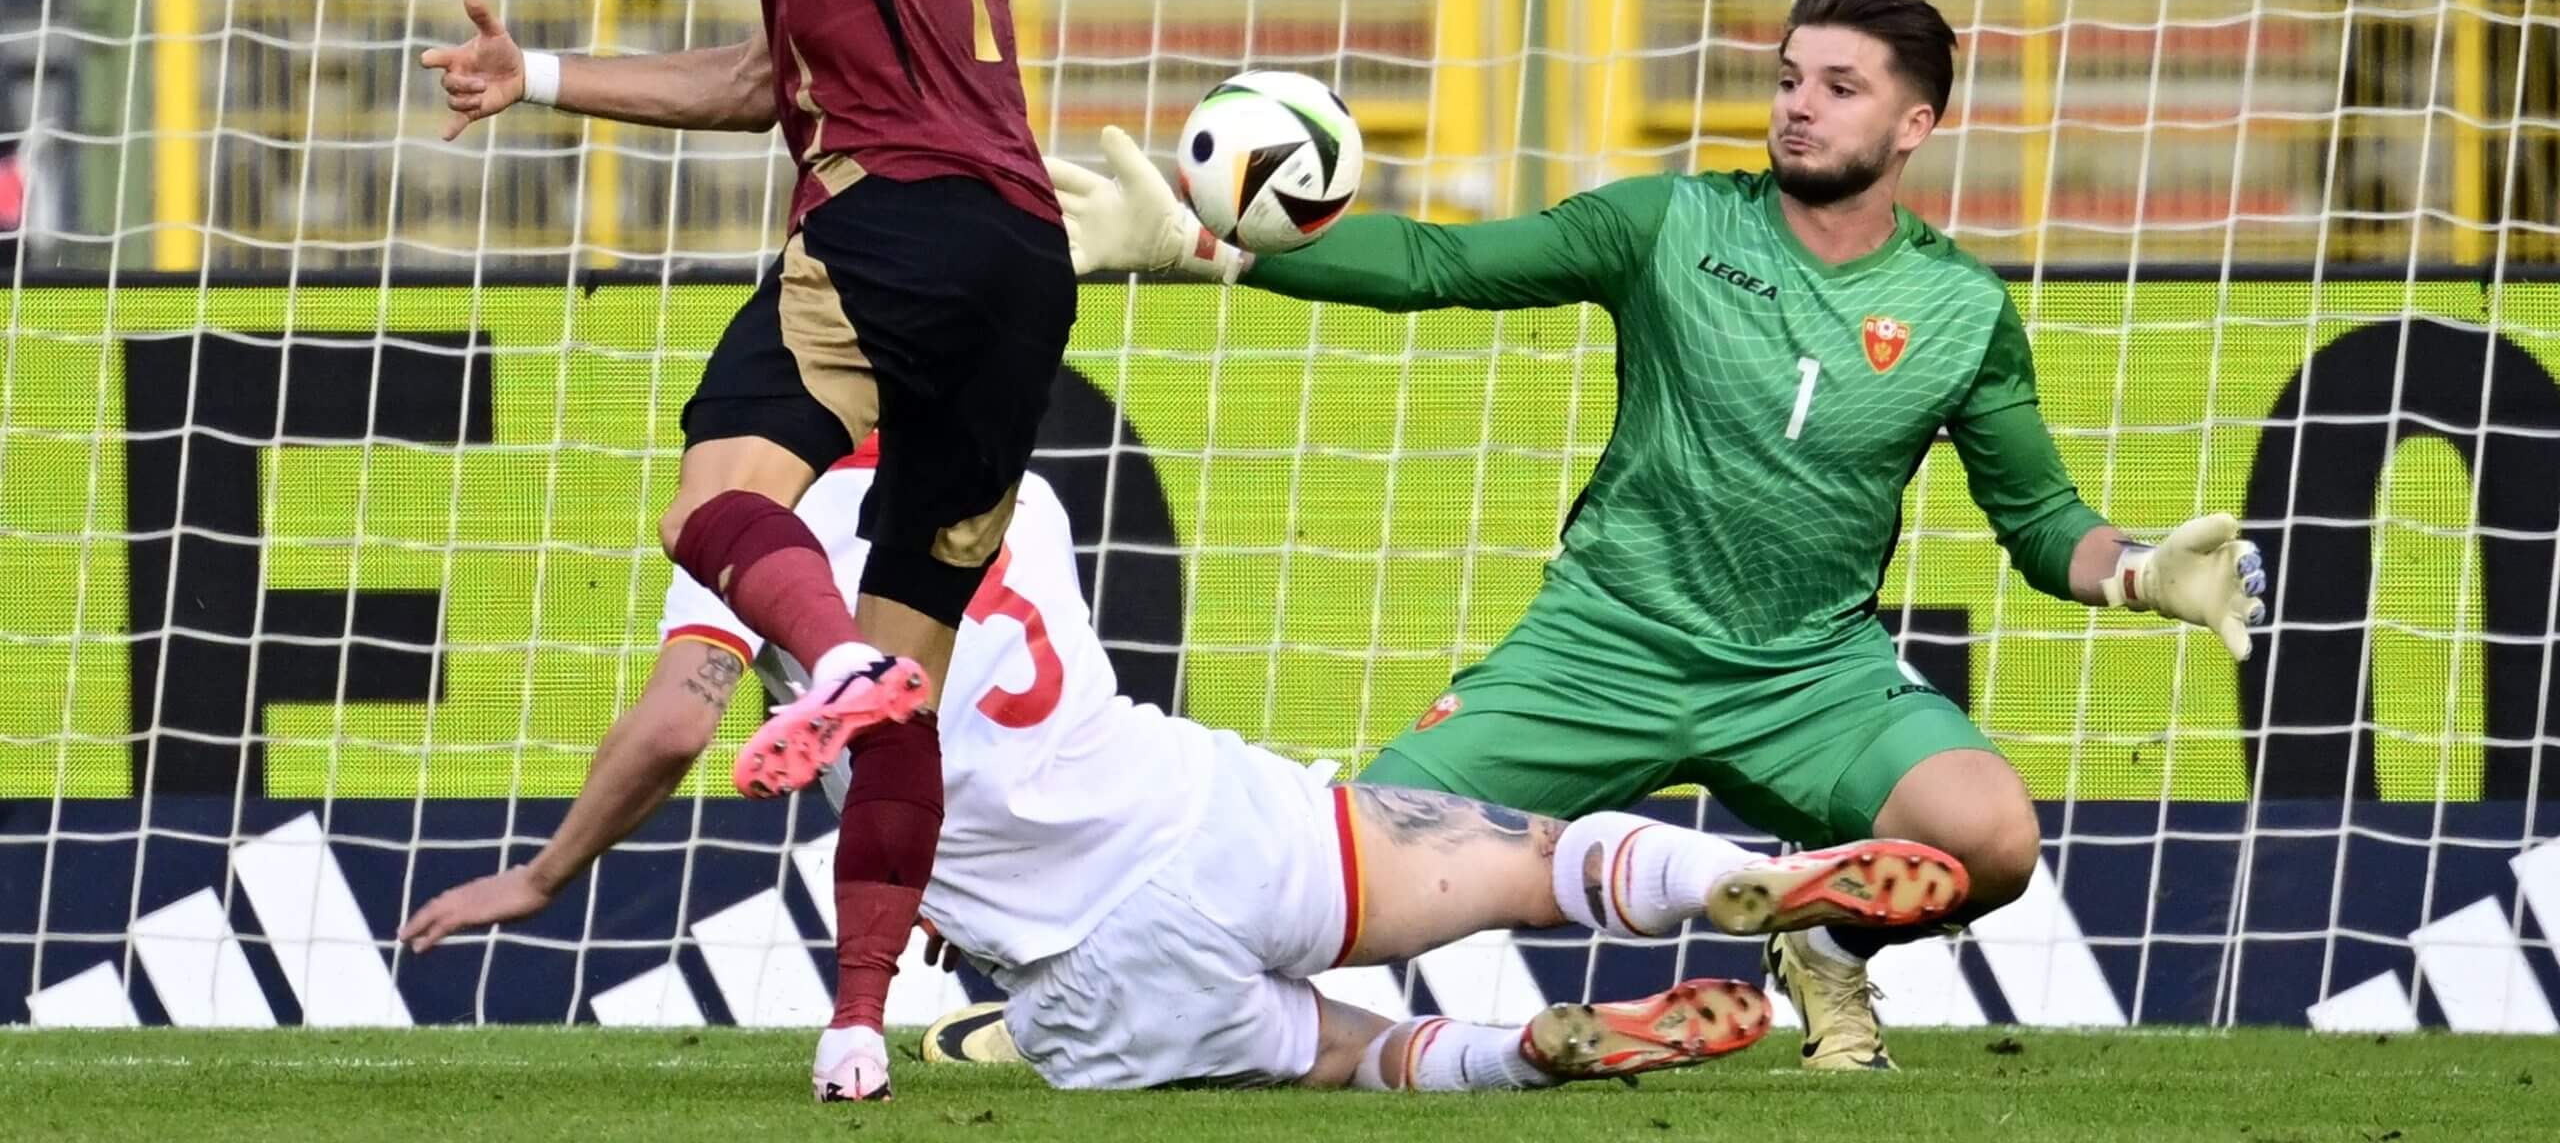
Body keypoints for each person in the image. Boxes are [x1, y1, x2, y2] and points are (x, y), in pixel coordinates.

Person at [1044, 0, 2268, 1072]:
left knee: (1989, 838)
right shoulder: (1668, 225)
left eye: (1839, 86)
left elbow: (2042, 517)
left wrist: (2144, 572)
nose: (1798, 105)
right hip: (1600, 650)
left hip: (1808, 673)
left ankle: (1827, 947)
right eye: (1789, 77)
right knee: (1336, 887)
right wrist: (1205, 248)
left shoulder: (1958, 306)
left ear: (1913, 126)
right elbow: (1438, 265)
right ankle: (1095, 991)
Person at [354, 0, 1071, 1091]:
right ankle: (862, 1023)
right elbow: (765, 81)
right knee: (908, 680)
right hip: (1022, 263)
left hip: (894, 228)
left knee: (708, 506)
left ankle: (825, 672)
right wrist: (536, 75)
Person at [398, 442, 1971, 1099]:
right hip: (1209, 813)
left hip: (1081, 962)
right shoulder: (1017, 490)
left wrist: (542, 875)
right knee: (1517, 853)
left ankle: (1525, 1055)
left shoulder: (752, 522)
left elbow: (684, 725)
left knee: (1343, 1056)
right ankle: (1716, 878)